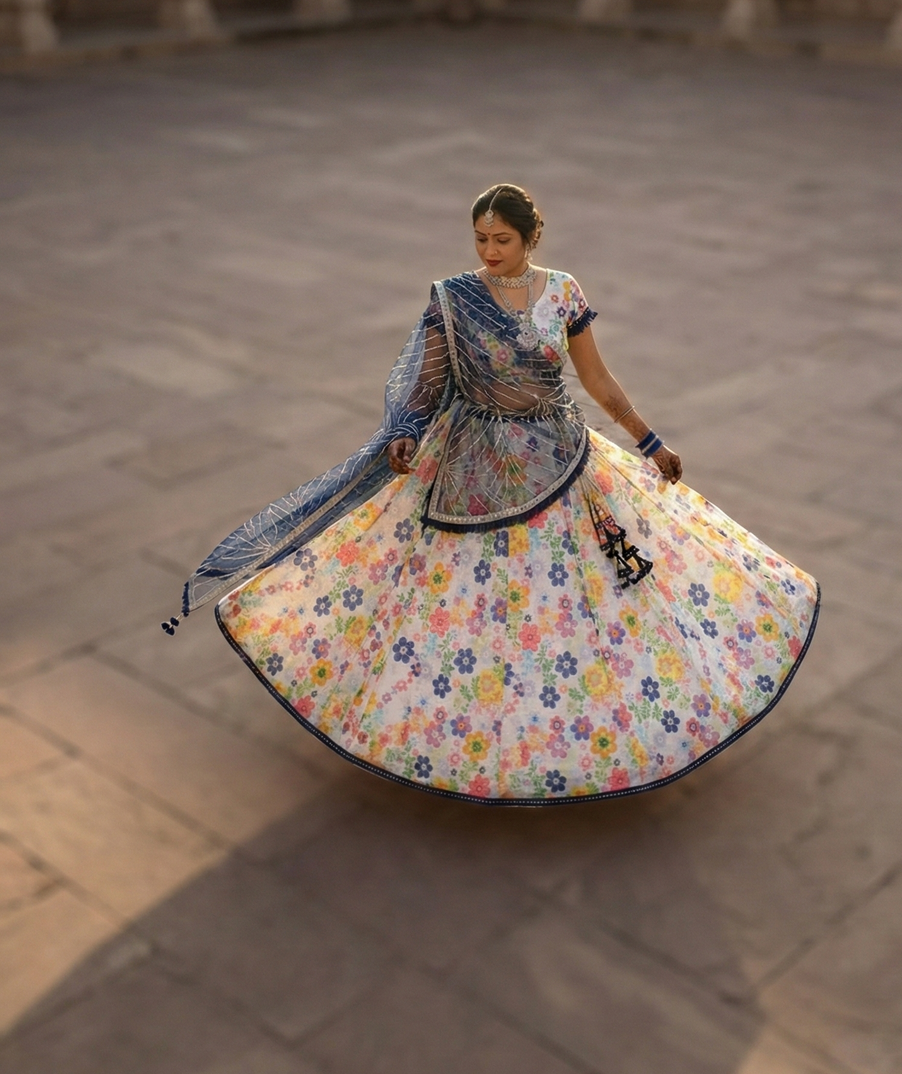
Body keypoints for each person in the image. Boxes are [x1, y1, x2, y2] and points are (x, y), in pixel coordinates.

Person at [165, 183, 819, 804]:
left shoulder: (562, 294)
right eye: (480, 238)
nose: (488, 252)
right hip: (470, 463)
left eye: (501, 239)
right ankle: (453, 736)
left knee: (576, 608)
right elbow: (425, 381)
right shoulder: (453, 297)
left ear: (532, 237)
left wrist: (649, 442)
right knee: (454, 609)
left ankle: (583, 733)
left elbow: (597, 379)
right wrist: (407, 431)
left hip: (561, 459)